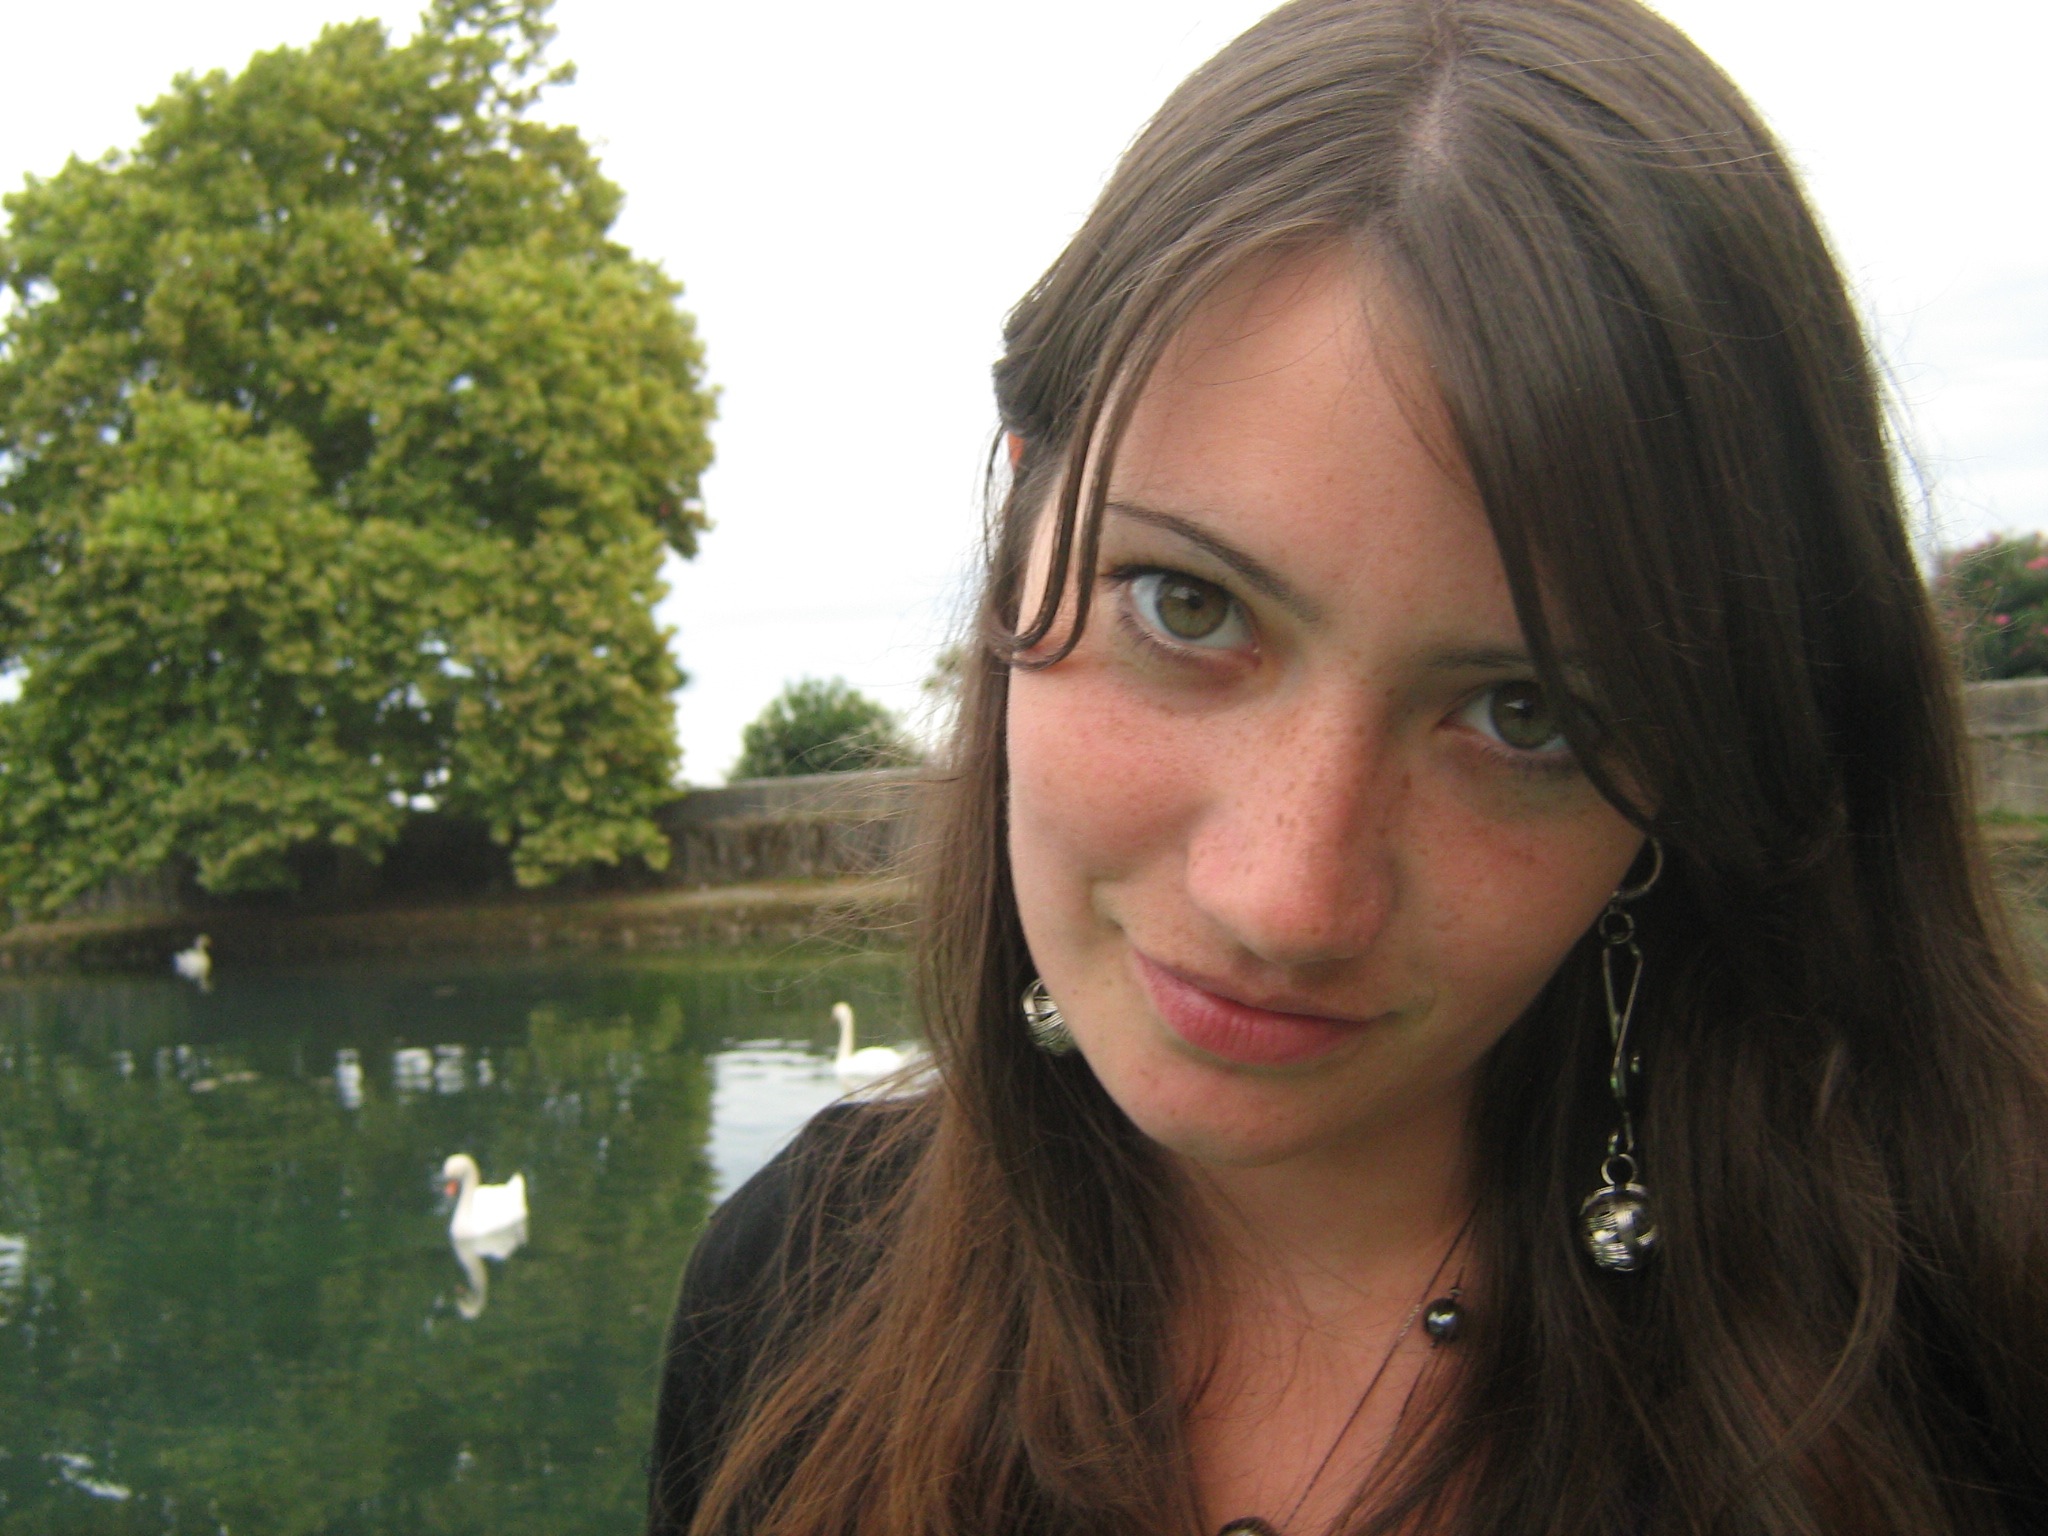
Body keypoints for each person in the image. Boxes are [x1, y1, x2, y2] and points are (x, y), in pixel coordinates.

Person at [647, 0, 2048, 1531]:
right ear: (1021, 518)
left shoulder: (1982, 1348)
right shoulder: (790, 1296)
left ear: (1699, 766)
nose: (1286, 900)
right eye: (1189, 607)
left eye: (1528, 713)